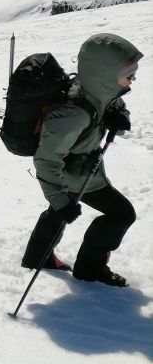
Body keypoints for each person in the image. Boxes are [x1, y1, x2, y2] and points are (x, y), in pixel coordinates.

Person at [21, 33, 142, 287]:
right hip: (75, 176)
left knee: (58, 212)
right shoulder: (72, 115)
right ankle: (90, 268)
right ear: (105, 74)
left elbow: (113, 105)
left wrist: (120, 116)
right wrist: (59, 198)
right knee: (121, 214)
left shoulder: (97, 91)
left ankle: (37, 257)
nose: (133, 79)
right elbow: (46, 159)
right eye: (129, 74)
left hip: (82, 171)